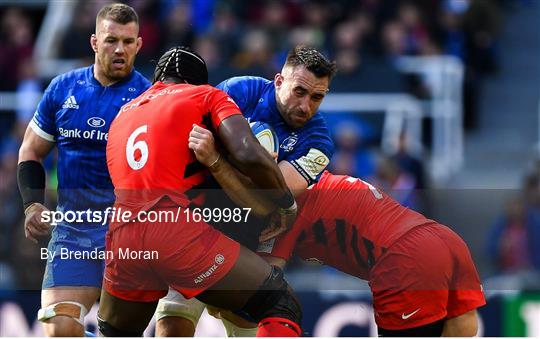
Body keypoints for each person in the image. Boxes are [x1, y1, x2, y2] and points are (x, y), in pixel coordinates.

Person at [182, 126, 487, 337]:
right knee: (462, 331)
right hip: (443, 237)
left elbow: (263, 290)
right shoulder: (313, 179)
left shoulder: (283, 209)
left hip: (401, 257)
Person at [98, 46, 302, 337]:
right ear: (198, 81)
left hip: (123, 236)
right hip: (175, 231)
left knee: (113, 331)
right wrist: (284, 202)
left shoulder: (121, 115)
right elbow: (247, 152)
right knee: (280, 302)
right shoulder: (206, 95)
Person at [155, 45, 337, 336]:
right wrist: (255, 165)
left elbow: (271, 195)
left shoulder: (319, 141)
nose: (306, 106)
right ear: (278, 81)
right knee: (173, 322)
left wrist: (218, 159)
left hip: (251, 241)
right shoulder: (241, 90)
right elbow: (192, 143)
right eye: (299, 92)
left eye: (317, 97)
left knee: (245, 326)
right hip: (200, 224)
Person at [16, 3, 149, 336]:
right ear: (94, 42)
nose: (120, 49)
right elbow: (31, 150)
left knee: (119, 332)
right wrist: (33, 203)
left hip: (129, 233)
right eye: (111, 40)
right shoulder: (63, 90)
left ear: (139, 45)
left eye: (128, 42)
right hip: (72, 231)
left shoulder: (150, 99)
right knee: (58, 327)